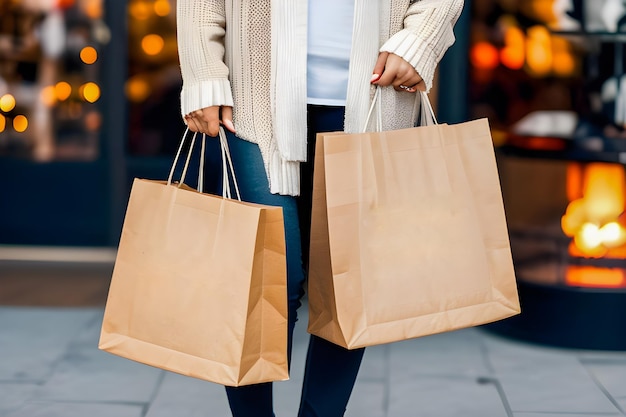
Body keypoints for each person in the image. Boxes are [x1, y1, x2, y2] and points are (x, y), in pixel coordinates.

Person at [176, 1, 464, 416]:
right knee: (266, 279)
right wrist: (204, 74)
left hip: (375, 102)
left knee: (350, 285)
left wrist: (421, 40)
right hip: (253, 105)